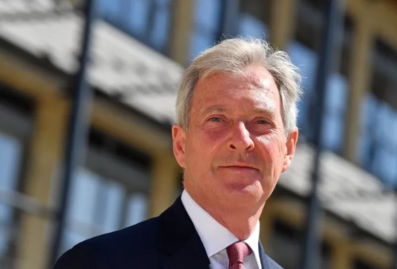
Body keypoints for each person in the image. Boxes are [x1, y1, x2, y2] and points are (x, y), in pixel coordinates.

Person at [53, 37, 301, 269]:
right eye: (217, 119)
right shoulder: (98, 262)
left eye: (261, 122)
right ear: (181, 145)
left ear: (288, 149)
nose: (241, 140)